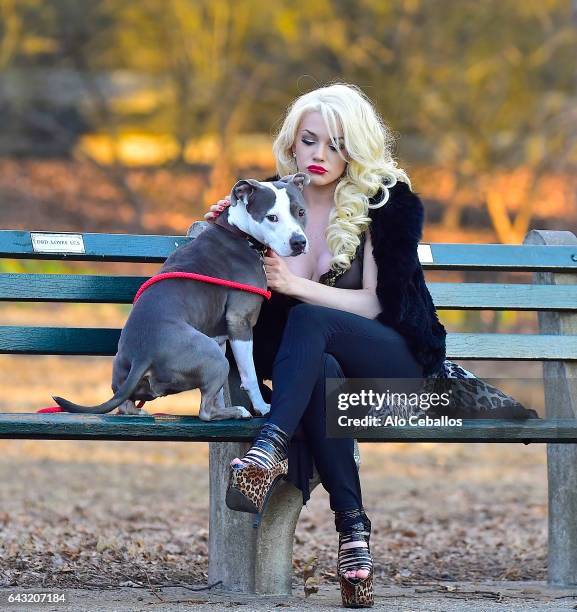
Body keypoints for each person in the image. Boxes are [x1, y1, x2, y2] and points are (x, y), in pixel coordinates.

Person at [204, 82, 447, 608]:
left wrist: (294, 286)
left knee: (313, 322)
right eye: (310, 140)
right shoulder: (268, 202)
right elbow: (218, 287)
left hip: (392, 360)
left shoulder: (385, 202)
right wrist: (224, 230)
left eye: (336, 144)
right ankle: (353, 532)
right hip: (310, 371)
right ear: (292, 141)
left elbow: (381, 306)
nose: (319, 155)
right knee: (321, 368)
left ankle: (268, 448)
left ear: (355, 149)